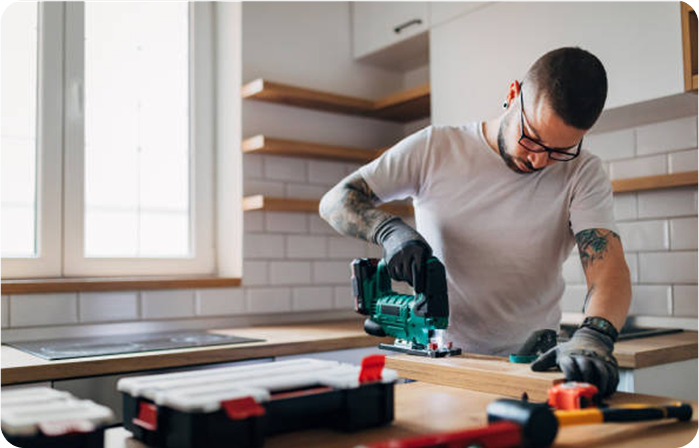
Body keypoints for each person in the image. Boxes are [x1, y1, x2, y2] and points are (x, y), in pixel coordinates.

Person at [319, 47, 632, 397]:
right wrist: (390, 232)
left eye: (560, 151)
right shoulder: (436, 147)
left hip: (529, 367)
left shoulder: (582, 172)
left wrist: (596, 334)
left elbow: (608, 272)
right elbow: (336, 200)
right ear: (513, 95)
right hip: (436, 363)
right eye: (532, 138)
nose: (539, 159)